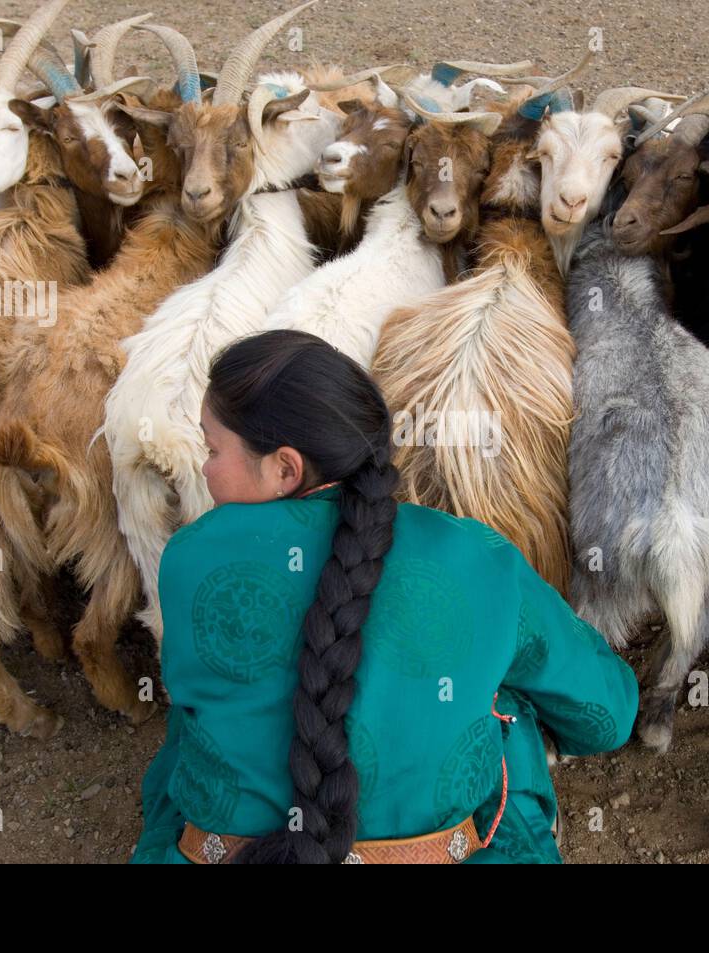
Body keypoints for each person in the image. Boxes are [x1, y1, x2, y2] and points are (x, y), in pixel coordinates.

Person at [131, 329, 638, 864]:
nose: (204, 469)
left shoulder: (191, 555)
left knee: (190, 722)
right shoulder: (476, 554)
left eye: (212, 450)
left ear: (285, 467)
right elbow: (607, 716)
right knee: (503, 694)